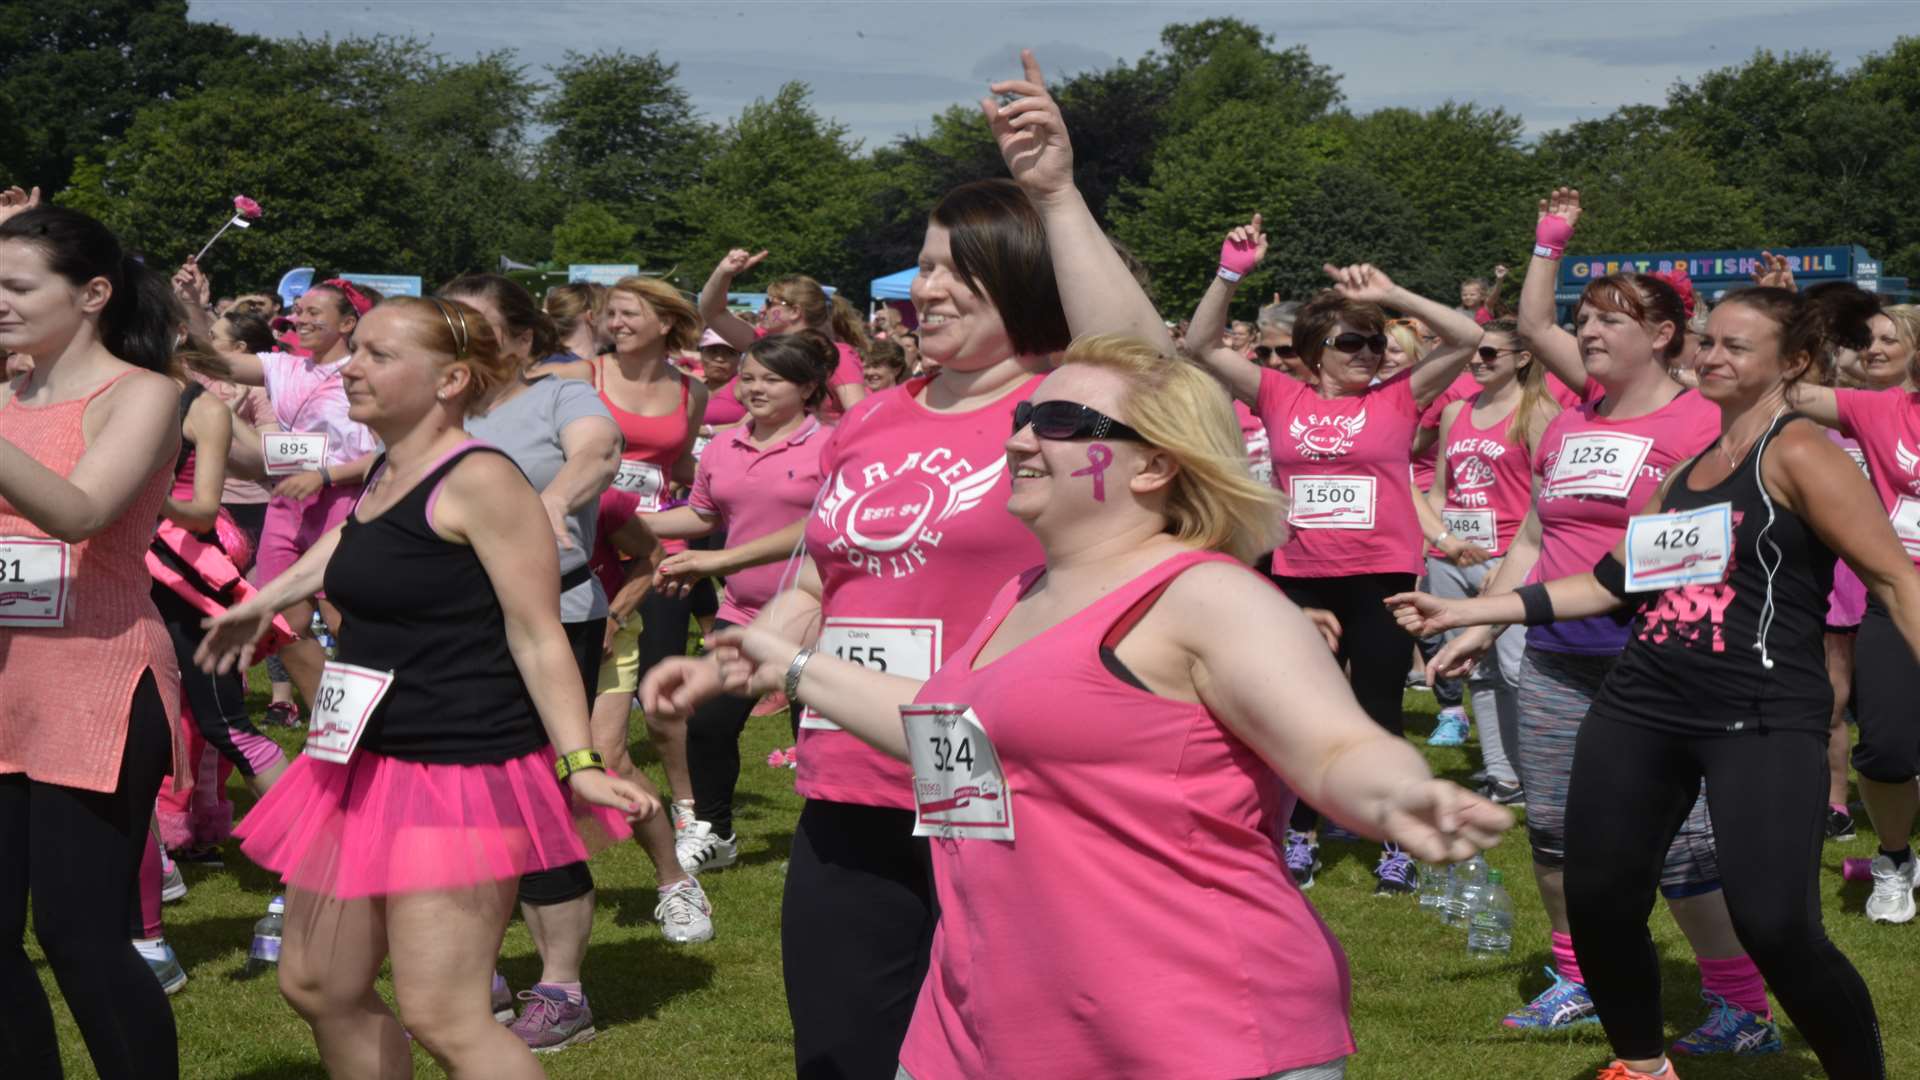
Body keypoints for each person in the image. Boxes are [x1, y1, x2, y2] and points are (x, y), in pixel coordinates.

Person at [662, 334, 1512, 1080]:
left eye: (1062, 424)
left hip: (1185, 1033)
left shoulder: (1205, 594)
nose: (1024, 438)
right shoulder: (1020, 593)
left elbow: (1331, 747)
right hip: (982, 1029)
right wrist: (789, 661)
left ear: (1153, 464)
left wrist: (1399, 792)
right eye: (1025, 417)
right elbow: (952, 735)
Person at [640, 49, 1172, 1078]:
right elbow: (815, 581)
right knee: (842, 1054)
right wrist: (731, 662)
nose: (922, 288)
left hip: (1004, 777)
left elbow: (1140, 355)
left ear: (1017, 276)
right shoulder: (871, 419)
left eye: (951, 268)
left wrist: (1056, 193)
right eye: (921, 265)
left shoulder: (1061, 407)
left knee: (1012, 1053)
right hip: (848, 777)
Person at [1394, 282, 1908, 1080]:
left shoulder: (1799, 451)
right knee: (1601, 901)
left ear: (1794, 362)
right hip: (1642, 704)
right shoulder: (1693, 471)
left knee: (1776, 925)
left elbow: (1895, 579)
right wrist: (1475, 612)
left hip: (1760, 713)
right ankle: (1640, 1066)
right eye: (1709, 341)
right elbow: (1609, 583)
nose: (1711, 355)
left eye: (1737, 345)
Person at [195, 296, 652, 1079]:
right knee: (316, 981)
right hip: (357, 760)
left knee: (445, 1016)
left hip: (455, 771)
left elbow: (540, 635)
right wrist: (266, 600)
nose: (351, 369)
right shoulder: (388, 468)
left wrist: (580, 765)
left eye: (377, 355)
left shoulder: (482, 480)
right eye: (355, 351)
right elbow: (350, 538)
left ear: (451, 380)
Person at [1430, 187, 1774, 1050]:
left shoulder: (1704, 422)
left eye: (1608, 321)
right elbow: (1540, 533)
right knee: (1554, 830)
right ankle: (1578, 976)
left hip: (1656, 660)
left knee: (1685, 849)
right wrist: (1484, 623)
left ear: (1661, 336)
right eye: (1583, 320)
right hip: (1551, 654)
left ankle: (1742, 1009)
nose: (1586, 333)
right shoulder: (1565, 423)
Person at [1184, 213, 1483, 893]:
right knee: (1303, 714)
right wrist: (1230, 270)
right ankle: (1299, 837)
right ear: (1316, 350)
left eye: (1376, 343)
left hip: (1380, 575)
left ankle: (1396, 845)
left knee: (1377, 711)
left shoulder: (1400, 397)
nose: (1369, 354)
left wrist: (1392, 295)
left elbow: (1467, 334)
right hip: (1301, 579)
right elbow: (1201, 343)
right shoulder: (1279, 394)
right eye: (1352, 342)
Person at [0, 193, 186, 1079]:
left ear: (92, 294)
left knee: (78, 935)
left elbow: (80, 510)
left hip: (98, 684)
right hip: (4, 685)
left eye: (16, 286)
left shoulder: (144, 394)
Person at [619, 332, 836, 873]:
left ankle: (824, 846)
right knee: (711, 725)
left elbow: (823, 525)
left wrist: (721, 562)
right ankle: (715, 833)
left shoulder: (830, 445)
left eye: (771, 379)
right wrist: (624, 521)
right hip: (743, 614)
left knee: (815, 736)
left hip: (823, 616)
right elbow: (703, 517)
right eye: (748, 377)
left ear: (808, 387)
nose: (754, 388)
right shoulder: (722, 445)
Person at [544, 277, 713, 870]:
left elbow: (682, 464)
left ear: (665, 322)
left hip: (658, 550)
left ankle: (689, 809)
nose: (614, 322)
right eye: (609, 314)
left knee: (662, 691)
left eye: (627, 313)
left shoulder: (690, 390)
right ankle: (569, 822)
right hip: (586, 543)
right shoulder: (579, 378)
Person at [1780, 296, 1920, 925]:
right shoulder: (1878, 407)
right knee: (1887, 750)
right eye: (1870, 339)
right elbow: (1790, 391)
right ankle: (1894, 860)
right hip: (1898, 599)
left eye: (1890, 337)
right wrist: (1806, 319)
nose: (1876, 348)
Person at [196, 273, 382, 723]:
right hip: (287, 502)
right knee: (284, 623)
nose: (300, 319)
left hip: (345, 500)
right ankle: (334, 723)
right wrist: (193, 306)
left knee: (342, 619)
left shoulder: (365, 373)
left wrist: (324, 475)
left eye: (314, 313)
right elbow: (213, 362)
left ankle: (382, 719)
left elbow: (385, 455)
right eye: (299, 312)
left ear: (347, 324)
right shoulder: (282, 367)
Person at [1424, 319, 1560, 803]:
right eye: (1474, 354)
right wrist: (1435, 542)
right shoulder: (1455, 411)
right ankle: (1502, 774)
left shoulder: (1539, 411)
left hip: (1508, 554)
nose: (1477, 362)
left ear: (1522, 358)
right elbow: (1442, 489)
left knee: (1518, 668)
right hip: (1451, 555)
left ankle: (1545, 773)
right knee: (1473, 669)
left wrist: (1507, 570)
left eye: (1489, 354)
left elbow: (1543, 501)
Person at [698, 256, 868, 414]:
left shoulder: (834, 356)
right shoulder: (763, 344)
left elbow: (859, 415)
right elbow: (712, 313)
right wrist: (723, 273)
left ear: (794, 311)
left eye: (769, 303)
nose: (762, 310)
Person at [543, 282, 608, 365]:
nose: (618, 322)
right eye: (611, 313)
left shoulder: (555, 362)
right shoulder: (560, 370)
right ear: (592, 317)